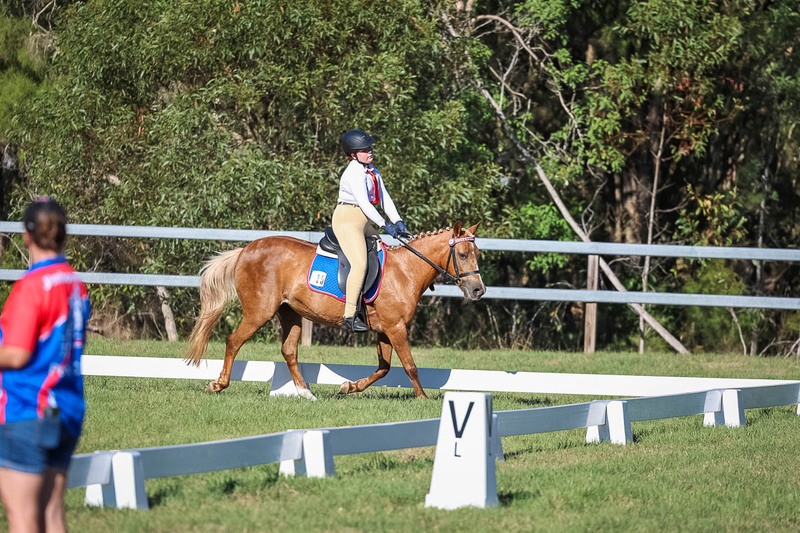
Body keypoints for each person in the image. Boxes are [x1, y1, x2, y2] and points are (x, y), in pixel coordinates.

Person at [0, 197, 89, 533]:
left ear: (26, 235)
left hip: (27, 410)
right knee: (52, 513)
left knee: (23, 518)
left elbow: (18, 354)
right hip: (64, 409)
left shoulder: (31, 287)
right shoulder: (75, 283)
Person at [333, 129, 411, 333]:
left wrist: (398, 221)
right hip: (347, 220)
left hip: (364, 221)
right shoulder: (353, 172)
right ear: (353, 154)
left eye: (369, 148)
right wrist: (386, 225)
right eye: (364, 149)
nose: (369, 151)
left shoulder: (372, 171)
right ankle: (349, 316)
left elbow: (384, 198)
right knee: (359, 264)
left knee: (383, 254)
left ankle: (374, 304)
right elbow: (365, 204)